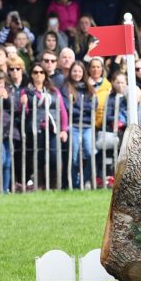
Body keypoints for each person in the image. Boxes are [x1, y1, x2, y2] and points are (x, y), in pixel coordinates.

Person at [60, 61, 96, 189]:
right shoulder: (66, 88)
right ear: (70, 72)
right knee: (74, 155)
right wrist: (81, 109)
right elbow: (66, 107)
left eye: (79, 71)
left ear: (83, 73)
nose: (77, 73)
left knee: (90, 152)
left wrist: (79, 108)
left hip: (87, 125)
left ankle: (84, 179)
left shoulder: (89, 88)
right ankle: (74, 183)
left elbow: (93, 106)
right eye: (74, 71)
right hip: (73, 125)